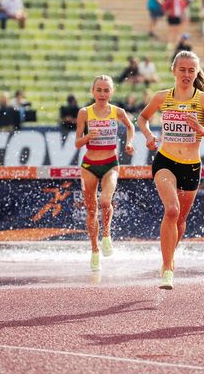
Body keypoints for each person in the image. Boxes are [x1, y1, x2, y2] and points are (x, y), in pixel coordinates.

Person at [138, 51, 204, 290]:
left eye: (191, 70)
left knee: (181, 219)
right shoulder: (162, 97)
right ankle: (167, 268)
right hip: (165, 161)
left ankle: (169, 256)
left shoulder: (203, 100)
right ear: (173, 71)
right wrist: (148, 135)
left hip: (191, 166)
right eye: (182, 69)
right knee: (172, 210)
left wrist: (201, 129)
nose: (186, 74)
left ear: (196, 73)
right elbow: (142, 118)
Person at [75, 75, 135, 271]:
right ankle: (94, 251)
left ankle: (106, 235)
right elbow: (77, 143)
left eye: (106, 90)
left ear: (112, 92)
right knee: (92, 210)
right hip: (89, 165)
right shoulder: (84, 113)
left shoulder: (118, 112)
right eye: (99, 90)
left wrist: (129, 142)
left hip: (110, 163)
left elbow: (130, 126)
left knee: (105, 202)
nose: (102, 94)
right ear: (92, 91)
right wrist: (87, 138)